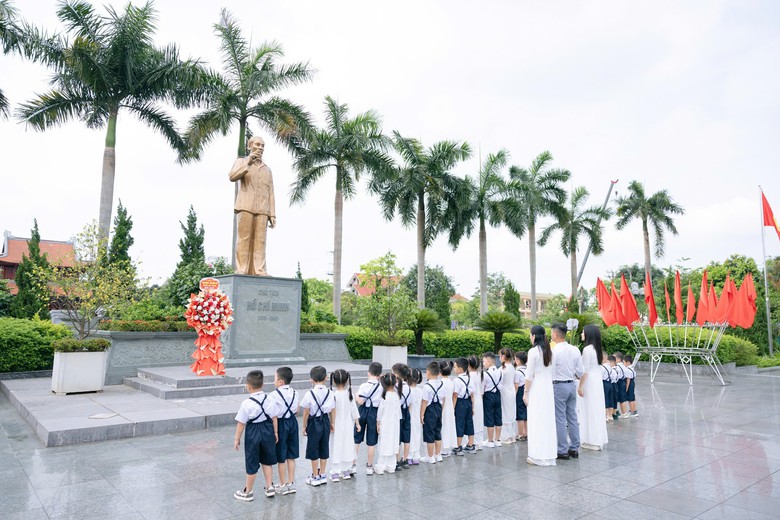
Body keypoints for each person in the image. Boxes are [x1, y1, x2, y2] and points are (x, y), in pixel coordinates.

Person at [228, 136, 276, 276]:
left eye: (262, 145)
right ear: (250, 146)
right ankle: (242, 269)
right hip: (245, 206)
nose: (260, 148)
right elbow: (232, 177)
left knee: (260, 241)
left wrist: (272, 214)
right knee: (244, 239)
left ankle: (259, 270)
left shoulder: (267, 170)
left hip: (262, 209)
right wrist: (248, 163)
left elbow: (271, 193)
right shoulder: (241, 161)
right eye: (257, 145)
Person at [234, 370, 280, 501]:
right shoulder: (269, 399)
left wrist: (237, 438)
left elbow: (241, 423)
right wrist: (275, 432)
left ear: (248, 387)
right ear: (263, 385)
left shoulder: (246, 403)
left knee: (252, 461)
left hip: (253, 432)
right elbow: (274, 417)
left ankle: (248, 492)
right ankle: (269, 487)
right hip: (267, 430)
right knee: (267, 459)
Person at [550, 323, 585, 460]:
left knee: (560, 418)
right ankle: (574, 448)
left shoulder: (554, 351)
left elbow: (551, 371)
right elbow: (581, 371)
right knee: (572, 416)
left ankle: (562, 450)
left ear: (555, 334)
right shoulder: (575, 349)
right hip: (571, 385)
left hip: (559, 385)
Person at [523, 326, 557, 466]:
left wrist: (525, 393)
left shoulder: (533, 352)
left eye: (531, 335)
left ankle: (537, 455)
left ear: (534, 336)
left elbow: (529, 375)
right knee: (547, 422)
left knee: (536, 421)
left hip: (536, 390)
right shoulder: (549, 352)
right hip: (547, 390)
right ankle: (548, 455)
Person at [301, 366, 335, 487]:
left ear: (311, 379)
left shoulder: (309, 393)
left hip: (313, 421)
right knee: (324, 446)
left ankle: (315, 476)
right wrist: (332, 423)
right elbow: (332, 409)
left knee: (313, 447)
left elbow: (306, 411)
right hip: (325, 420)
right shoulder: (330, 392)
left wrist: (304, 426)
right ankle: (323, 474)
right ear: (326, 377)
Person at [579, 325, 608, 451]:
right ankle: (597, 439)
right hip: (597, 381)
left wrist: (580, 386)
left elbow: (585, 371)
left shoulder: (587, 350)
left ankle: (591, 439)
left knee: (589, 409)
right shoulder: (597, 349)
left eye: (583, 332)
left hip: (589, 381)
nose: (581, 334)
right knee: (596, 409)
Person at [329, 369, 360, 481]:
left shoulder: (333, 394)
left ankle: (335, 472)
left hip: (336, 423)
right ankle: (346, 470)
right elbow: (354, 410)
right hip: (348, 423)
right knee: (347, 444)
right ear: (347, 381)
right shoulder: (349, 394)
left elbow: (331, 410)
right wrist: (357, 423)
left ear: (334, 381)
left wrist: (331, 423)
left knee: (336, 445)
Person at [272, 367, 299, 495]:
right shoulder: (295, 392)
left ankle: (282, 484)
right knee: (291, 455)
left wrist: (275, 432)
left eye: (275, 378)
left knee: (281, 456)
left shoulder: (274, 395)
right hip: (293, 423)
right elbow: (296, 410)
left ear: (281, 381)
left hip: (281, 424)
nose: (274, 381)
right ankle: (291, 483)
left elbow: (274, 415)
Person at [354, 361, 382, 475]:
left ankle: (353, 465)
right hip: (374, 413)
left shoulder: (363, 386)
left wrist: (356, 396)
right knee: (371, 441)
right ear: (379, 375)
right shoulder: (381, 387)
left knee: (357, 438)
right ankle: (369, 467)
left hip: (362, 411)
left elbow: (360, 401)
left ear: (368, 373)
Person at [375, 373, 402, 474]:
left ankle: (381, 466)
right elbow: (399, 413)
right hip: (394, 423)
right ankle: (391, 466)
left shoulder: (384, 396)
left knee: (384, 443)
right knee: (393, 442)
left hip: (385, 422)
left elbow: (380, 412)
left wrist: (378, 423)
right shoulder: (397, 396)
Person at [420, 361, 444, 463]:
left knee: (429, 433)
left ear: (428, 373)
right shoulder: (442, 384)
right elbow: (443, 399)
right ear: (439, 373)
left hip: (429, 410)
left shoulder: (426, 386)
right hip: (438, 408)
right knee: (437, 432)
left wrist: (422, 414)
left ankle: (430, 456)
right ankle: (438, 454)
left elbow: (424, 401)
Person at [452, 357, 476, 454]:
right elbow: (472, 394)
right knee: (469, 422)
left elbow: (455, 396)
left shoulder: (456, 380)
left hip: (460, 403)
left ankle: (458, 446)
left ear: (460, 369)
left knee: (459, 423)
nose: (454, 369)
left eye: (455, 367)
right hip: (468, 402)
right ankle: (471, 445)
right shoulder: (470, 379)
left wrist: (453, 408)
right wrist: (473, 407)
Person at [392, 363, 412, 469]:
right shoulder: (408, 387)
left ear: (395, 374)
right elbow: (409, 403)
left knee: (397, 438)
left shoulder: (394, 387)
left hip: (398, 413)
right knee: (406, 437)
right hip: (406, 412)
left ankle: (397, 460)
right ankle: (405, 459)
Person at [481, 352, 503, 447]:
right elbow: (501, 385)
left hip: (488, 396)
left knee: (489, 417)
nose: (483, 363)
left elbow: (482, 388)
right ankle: (497, 440)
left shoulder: (485, 374)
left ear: (489, 362)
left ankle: (490, 441)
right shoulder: (500, 371)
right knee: (498, 417)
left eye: (484, 361)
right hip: (498, 395)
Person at [498, 347, 517, 444]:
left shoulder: (502, 369)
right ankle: (512, 435)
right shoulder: (512, 367)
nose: (499, 357)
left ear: (504, 356)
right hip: (512, 391)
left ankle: (505, 436)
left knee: (505, 413)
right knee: (511, 413)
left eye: (500, 355)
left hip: (504, 392)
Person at [439, 361, 457, 456]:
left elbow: (442, 398)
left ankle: (443, 449)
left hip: (444, 407)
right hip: (450, 406)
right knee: (448, 426)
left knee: (443, 426)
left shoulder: (441, 383)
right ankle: (447, 447)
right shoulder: (450, 381)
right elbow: (454, 396)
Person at [467, 356, 485, 450]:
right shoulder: (480, 374)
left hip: (472, 400)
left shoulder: (469, 376)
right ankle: (479, 441)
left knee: (472, 421)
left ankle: (471, 441)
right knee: (478, 420)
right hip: (479, 399)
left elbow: (470, 392)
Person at [408, 368, 424, 464]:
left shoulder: (408, 390)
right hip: (418, 415)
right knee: (417, 434)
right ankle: (416, 456)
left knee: (409, 434)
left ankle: (409, 456)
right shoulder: (420, 390)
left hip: (410, 415)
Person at [514, 350, 528, 442]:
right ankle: (526, 433)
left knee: (520, 414)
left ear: (518, 361)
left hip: (520, 392)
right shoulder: (528, 370)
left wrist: (513, 396)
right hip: (527, 391)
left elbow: (516, 386)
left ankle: (520, 434)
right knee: (526, 414)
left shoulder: (517, 372)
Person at [613, 351, 627, 419]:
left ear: (618, 359)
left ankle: (624, 413)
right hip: (623, 381)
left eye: (614, 358)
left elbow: (616, 376)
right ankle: (623, 412)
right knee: (622, 398)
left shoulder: (617, 367)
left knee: (621, 399)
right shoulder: (623, 366)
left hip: (619, 382)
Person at [601, 352, 616, 422]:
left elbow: (600, 377)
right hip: (610, 383)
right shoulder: (610, 366)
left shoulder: (602, 367)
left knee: (605, 399)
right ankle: (610, 416)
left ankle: (605, 416)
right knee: (610, 399)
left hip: (604, 383)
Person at [608, 355, 620, 420]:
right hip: (616, 384)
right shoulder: (617, 369)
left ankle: (612, 414)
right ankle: (614, 413)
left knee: (611, 399)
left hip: (612, 384)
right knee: (615, 399)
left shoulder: (612, 370)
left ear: (612, 363)